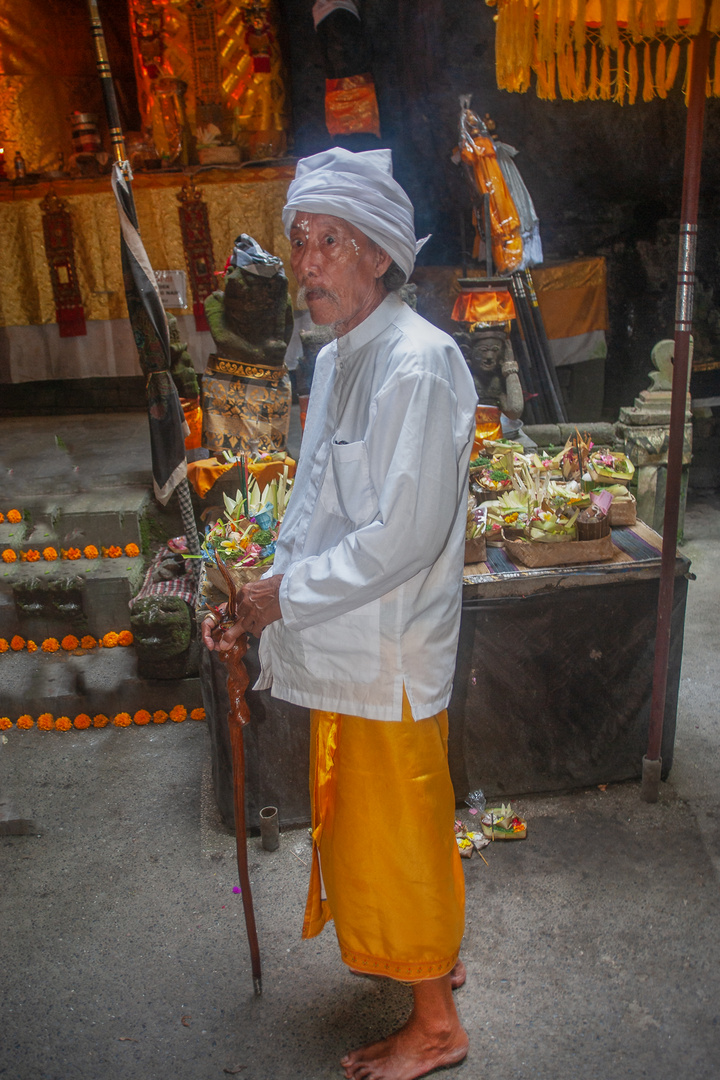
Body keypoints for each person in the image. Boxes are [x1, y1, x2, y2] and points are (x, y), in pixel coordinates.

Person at [202, 146, 477, 1080]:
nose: (305, 264)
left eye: (327, 242)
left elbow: (401, 534)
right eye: (298, 242)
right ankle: (435, 961)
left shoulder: (417, 364)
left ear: (376, 254)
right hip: (350, 646)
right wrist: (251, 603)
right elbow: (315, 509)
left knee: (394, 832)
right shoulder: (342, 357)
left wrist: (281, 597)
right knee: (386, 827)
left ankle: (436, 1023)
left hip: (388, 656)